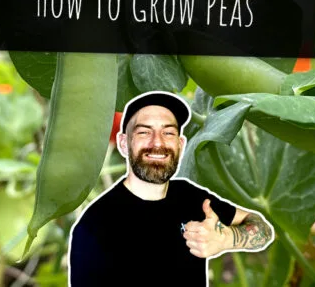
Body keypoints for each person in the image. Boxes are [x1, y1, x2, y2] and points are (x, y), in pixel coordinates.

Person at [68, 91, 275, 287]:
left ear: (181, 144)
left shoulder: (190, 197)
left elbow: (263, 229)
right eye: (144, 132)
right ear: (123, 143)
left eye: (168, 133)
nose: (157, 142)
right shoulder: (94, 225)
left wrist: (226, 239)